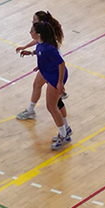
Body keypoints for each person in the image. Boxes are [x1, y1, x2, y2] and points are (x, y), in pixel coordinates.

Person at [20, 21, 71, 149]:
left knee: (52, 107)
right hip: (49, 73)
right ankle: (65, 132)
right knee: (52, 106)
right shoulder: (41, 44)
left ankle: (64, 135)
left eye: (31, 31)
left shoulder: (48, 48)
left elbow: (61, 63)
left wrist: (59, 83)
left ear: (38, 34)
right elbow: (41, 54)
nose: (30, 32)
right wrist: (31, 54)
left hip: (55, 77)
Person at [15, 10, 65, 120]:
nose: (32, 22)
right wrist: (29, 50)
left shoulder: (48, 38)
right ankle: (31, 110)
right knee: (37, 85)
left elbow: (50, 54)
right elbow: (39, 46)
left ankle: (64, 128)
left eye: (34, 20)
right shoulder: (45, 35)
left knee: (54, 104)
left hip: (53, 68)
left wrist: (60, 82)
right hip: (48, 66)